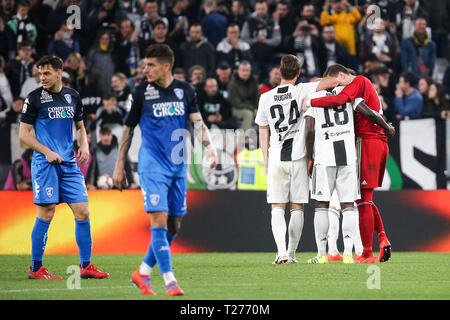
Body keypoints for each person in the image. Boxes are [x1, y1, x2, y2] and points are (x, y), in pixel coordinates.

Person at [112, 44, 218, 296]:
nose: (145, 69)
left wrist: (210, 148)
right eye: (145, 64)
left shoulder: (186, 90)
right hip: (152, 166)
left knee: (174, 224)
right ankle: (170, 281)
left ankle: (143, 272)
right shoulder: (140, 93)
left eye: (151, 65)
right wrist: (119, 165)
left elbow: (198, 122)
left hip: (178, 167)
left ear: (166, 66)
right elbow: (127, 130)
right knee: (158, 219)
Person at [19, 54, 109, 279]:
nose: (42, 77)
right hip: (45, 163)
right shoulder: (34, 98)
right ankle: (36, 268)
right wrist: (47, 152)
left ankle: (86, 266)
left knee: (83, 211)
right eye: (40, 73)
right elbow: (23, 135)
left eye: (47, 73)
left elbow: (80, 126)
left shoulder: (73, 96)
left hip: (69, 164)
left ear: (59, 73)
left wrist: (85, 144)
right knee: (47, 213)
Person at [302, 64, 395, 263]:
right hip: (373, 143)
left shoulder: (357, 83)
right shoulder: (359, 90)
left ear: (342, 76)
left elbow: (343, 101)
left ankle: (365, 253)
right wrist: (386, 126)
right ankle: (381, 238)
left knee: (356, 201)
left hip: (366, 143)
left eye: (335, 82)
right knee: (364, 198)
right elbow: (366, 110)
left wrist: (311, 100)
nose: (338, 87)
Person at [254, 54, 342, 264]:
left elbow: (263, 132)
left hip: (276, 157)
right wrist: (321, 82)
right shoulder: (303, 89)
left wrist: (266, 160)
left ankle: (282, 252)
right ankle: (292, 253)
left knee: (277, 207)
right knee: (297, 207)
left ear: (279, 72)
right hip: (300, 157)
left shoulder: (265, 97)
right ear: (298, 73)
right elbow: (334, 81)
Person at [227, 60, 260, 131]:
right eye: (243, 70)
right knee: (248, 114)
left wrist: (257, 108)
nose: (245, 73)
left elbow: (257, 96)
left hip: (252, 107)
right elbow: (236, 103)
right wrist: (252, 108)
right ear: (238, 71)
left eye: (247, 70)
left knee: (265, 113)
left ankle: (265, 139)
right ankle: (245, 140)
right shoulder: (233, 83)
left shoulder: (254, 80)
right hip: (237, 108)